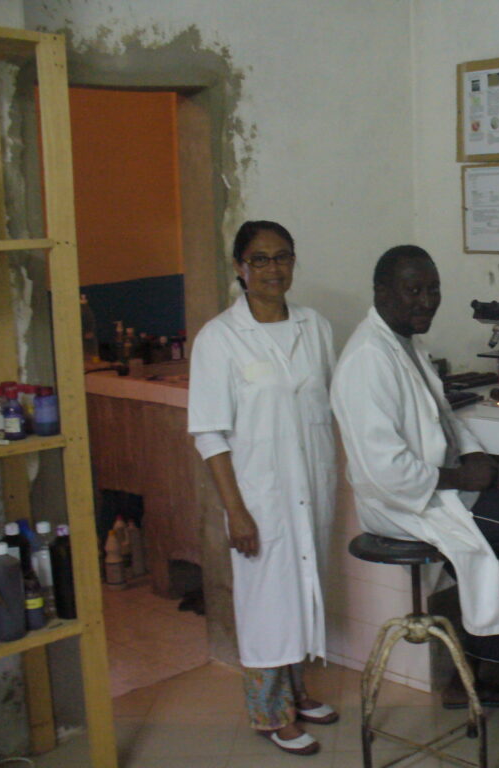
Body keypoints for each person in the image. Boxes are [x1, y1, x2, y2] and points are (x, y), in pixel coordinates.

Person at [331, 245, 499, 708]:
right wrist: (465, 478)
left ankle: (477, 676)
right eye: (414, 290)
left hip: (440, 489)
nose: (427, 301)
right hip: (404, 504)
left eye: (433, 289)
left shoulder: (407, 343)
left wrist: (490, 466)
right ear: (382, 292)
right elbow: (385, 473)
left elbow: (445, 421)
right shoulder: (367, 360)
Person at [187, 220, 339, 757]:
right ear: (240, 267)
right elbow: (210, 433)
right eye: (260, 259)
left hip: (312, 486)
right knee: (265, 603)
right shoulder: (219, 339)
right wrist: (237, 511)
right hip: (259, 496)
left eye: (283, 257)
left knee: (302, 590)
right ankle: (270, 712)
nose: (273, 269)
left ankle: (296, 693)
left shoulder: (315, 326)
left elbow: (330, 401)